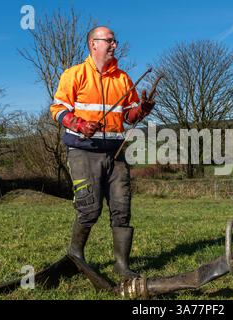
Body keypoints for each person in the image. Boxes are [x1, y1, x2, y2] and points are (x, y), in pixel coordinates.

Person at [50, 26, 155, 278]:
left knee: (122, 209)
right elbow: (57, 109)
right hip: (83, 152)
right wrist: (78, 124)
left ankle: (122, 266)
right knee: (89, 208)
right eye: (109, 41)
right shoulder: (74, 74)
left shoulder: (123, 78)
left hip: (116, 154)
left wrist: (142, 110)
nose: (114, 45)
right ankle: (75, 255)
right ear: (93, 44)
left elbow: (129, 117)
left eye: (114, 41)